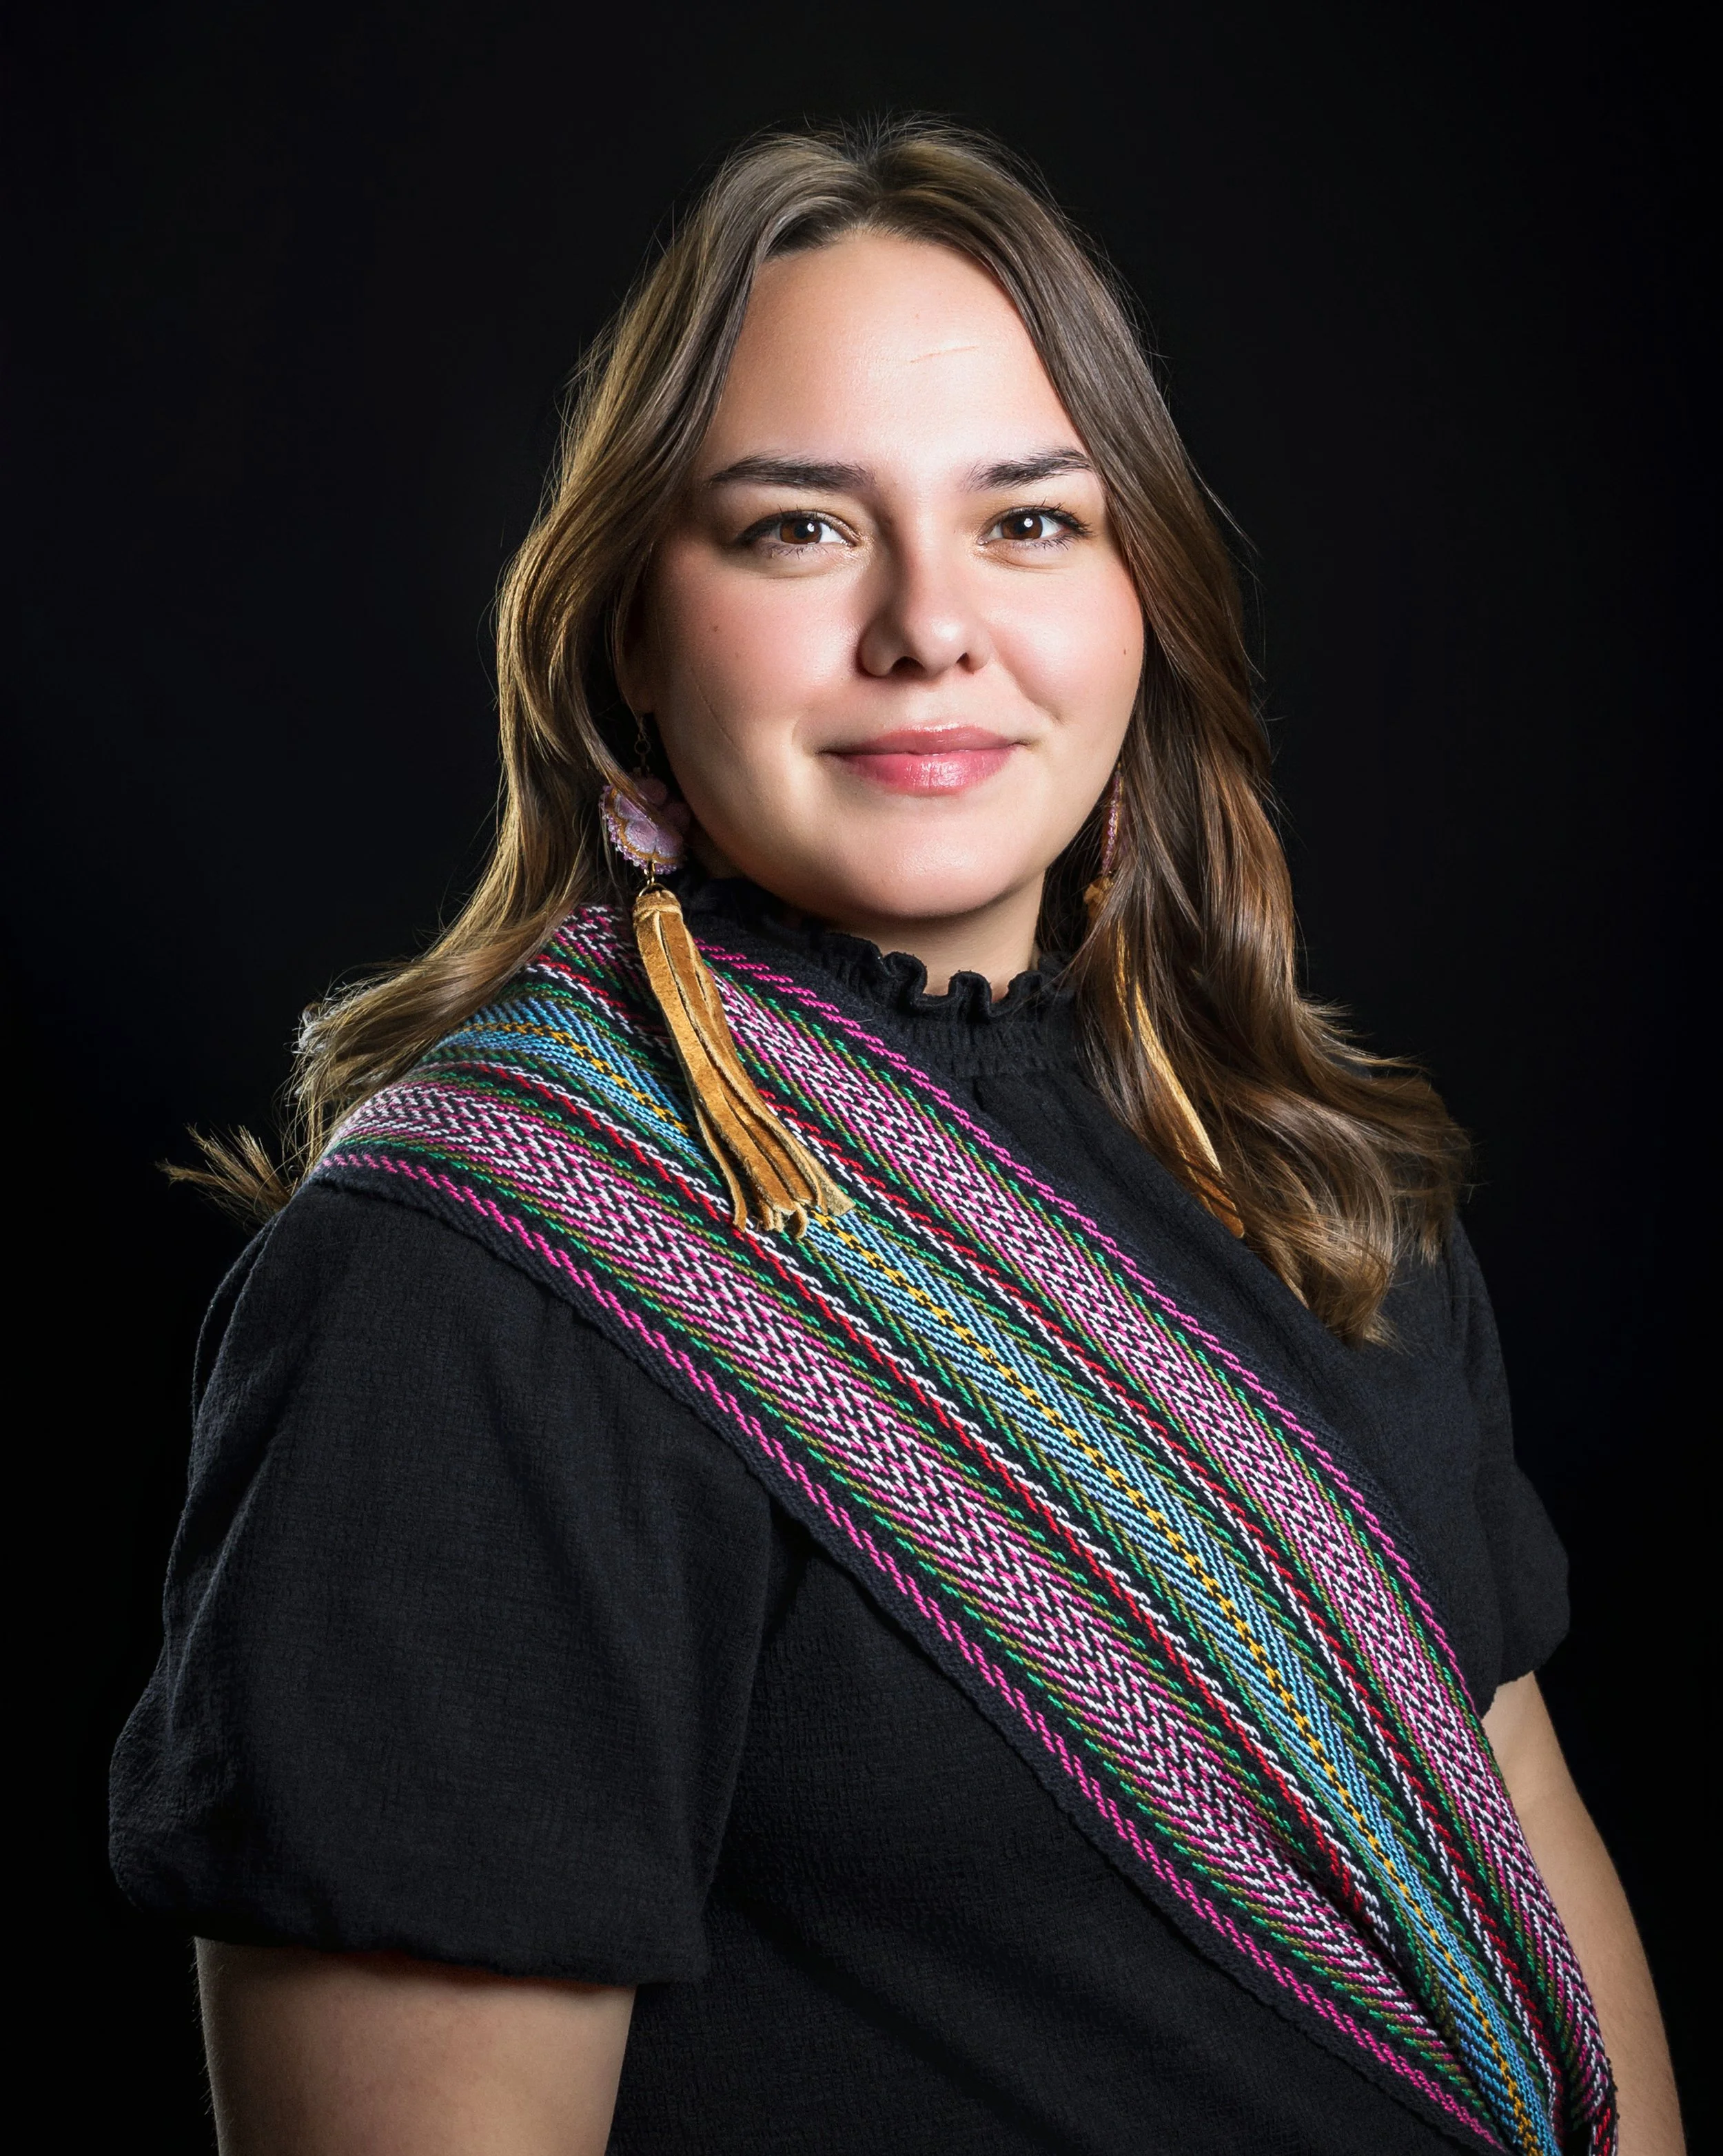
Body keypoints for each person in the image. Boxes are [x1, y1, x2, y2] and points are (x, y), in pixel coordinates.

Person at [110, 121, 1682, 2155]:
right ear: (622, 638)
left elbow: (1514, 1845)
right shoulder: (468, 1281)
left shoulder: (1291, 1156)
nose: (929, 625)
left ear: (1145, 603)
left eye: (1029, 521)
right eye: (795, 530)